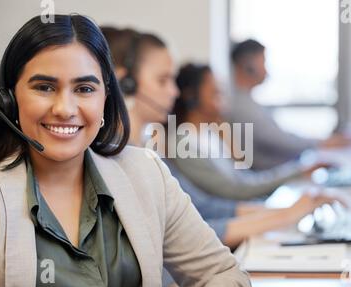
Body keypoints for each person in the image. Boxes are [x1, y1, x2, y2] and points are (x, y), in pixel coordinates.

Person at [0, 15, 250, 287]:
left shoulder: (145, 173)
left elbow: (228, 278)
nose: (65, 109)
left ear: (105, 98)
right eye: (45, 87)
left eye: (84, 89)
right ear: (8, 99)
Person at [102, 28, 338, 249]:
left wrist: (284, 211)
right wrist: (286, 213)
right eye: (163, 80)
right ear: (126, 84)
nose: (173, 92)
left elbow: (204, 207)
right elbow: (220, 201)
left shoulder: (153, 149)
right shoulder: (166, 146)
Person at [170, 64, 323, 201]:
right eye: (216, 93)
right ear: (191, 96)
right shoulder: (183, 144)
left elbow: (243, 178)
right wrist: (296, 173)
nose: (224, 101)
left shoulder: (208, 134)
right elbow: (236, 189)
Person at [227, 39, 351, 170]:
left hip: (281, 171)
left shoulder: (247, 101)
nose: (266, 70)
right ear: (248, 65)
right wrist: (322, 143)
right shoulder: (242, 107)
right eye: (263, 62)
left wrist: (324, 142)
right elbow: (280, 141)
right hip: (271, 177)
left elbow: (281, 136)